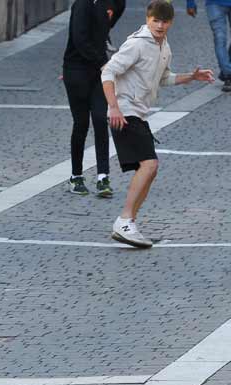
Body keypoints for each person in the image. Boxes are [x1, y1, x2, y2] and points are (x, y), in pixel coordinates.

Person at [102, 0, 214, 248]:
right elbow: (107, 72)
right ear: (147, 18)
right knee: (150, 165)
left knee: (151, 169)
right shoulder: (137, 44)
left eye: (164, 21)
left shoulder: (164, 46)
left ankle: (129, 221)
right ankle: (124, 220)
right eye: (156, 21)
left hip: (138, 114)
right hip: (125, 112)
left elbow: (164, 78)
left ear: (171, 23)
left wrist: (192, 77)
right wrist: (114, 107)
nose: (160, 25)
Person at [63, 0, 120, 197]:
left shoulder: (106, 3)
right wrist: (103, 62)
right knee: (81, 123)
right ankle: (76, 176)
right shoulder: (82, 4)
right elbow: (79, 40)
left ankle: (103, 177)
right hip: (77, 70)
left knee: (99, 118)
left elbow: (105, 28)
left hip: (97, 72)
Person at [188, 0, 231, 91]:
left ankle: (226, 71)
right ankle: (228, 75)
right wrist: (190, 2)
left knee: (219, 39)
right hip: (214, 4)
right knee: (220, 38)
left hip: (213, 4)